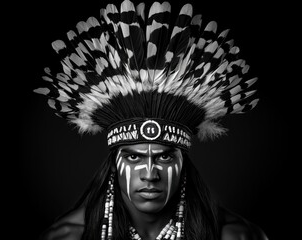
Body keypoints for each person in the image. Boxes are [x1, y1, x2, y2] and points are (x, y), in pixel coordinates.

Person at [34, 0, 268, 239]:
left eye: (164, 156)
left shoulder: (236, 236)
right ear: (114, 162)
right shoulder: (67, 236)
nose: (149, 174)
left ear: (183, 163)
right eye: (133, 156)